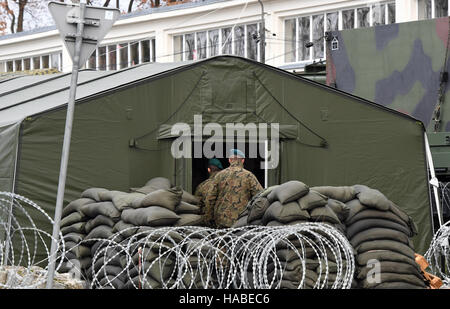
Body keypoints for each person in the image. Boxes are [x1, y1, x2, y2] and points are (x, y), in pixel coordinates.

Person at [204, 148, 263, 228]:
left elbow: (210, 198)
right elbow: (260, 197)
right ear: (242, 160)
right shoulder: (249, 176)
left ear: (229, 160)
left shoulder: (219, 175)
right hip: (241, 221)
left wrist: (209, 219)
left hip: (221, 221)